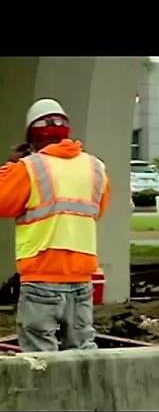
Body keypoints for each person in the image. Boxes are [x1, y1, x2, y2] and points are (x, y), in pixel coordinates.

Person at [0, 98, 111, 352]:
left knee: (41, 356)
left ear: (32, 137)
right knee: (81, 351)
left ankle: (49, 394)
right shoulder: (95, 168)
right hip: (83, 280)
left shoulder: (29, 168)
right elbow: (97, 210)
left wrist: (10, 165)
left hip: (41, 278)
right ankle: (85, 392)